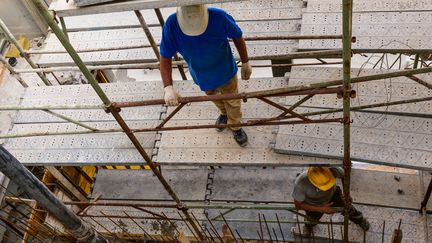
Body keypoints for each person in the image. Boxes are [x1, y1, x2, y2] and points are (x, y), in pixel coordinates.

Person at [159, 4, 252, 147]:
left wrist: (245, 62)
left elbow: (237, 36)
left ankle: (235, 126)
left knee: (232, 100)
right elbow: (165, 57)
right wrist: (168, 88)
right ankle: (224, 113)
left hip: (225, 71)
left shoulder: (219, 17)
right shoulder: (172, 24)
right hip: (201, 75)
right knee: (213, 96)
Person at [292, 167, 370, 236]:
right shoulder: (301, 183)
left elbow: (344, 175)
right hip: (314, 204)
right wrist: (321, 209)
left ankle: (359, 219)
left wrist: (346, 193)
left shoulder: (331, 169)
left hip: (333, 194)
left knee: (348, 208)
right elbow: (298, 205)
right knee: (311, 219)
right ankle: (308, 226)